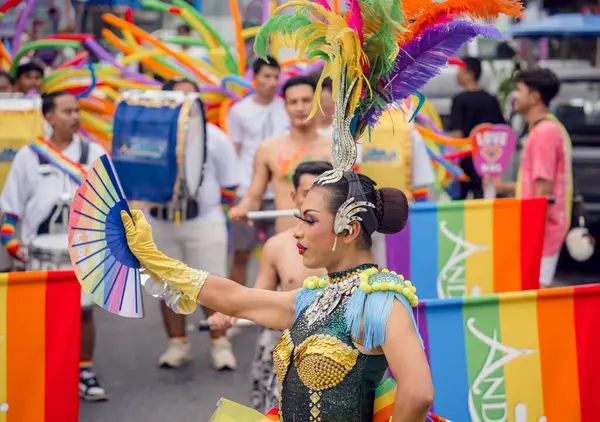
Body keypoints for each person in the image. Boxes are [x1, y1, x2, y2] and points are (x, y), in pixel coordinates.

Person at [0, 91, 108, 401]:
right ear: (49, 117)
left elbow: (109, 204)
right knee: (40, 313)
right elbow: (10, 207)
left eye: (77, 111)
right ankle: (42, 373)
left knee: (85, 312)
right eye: (67, 111)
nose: (75, 117)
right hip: (39, 250)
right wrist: (11, 243)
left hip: (83, 249)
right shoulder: (28, 155)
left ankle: (84, 370)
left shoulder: (94, 153)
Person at [147, 78, 240, 370]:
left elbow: (230, 183)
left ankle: (220, 344)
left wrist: (219, 214)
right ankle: (177, 344)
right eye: (178, 99)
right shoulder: (150, 135)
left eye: (192, 98)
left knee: (211, 286)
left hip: (203, 220)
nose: (186, 105)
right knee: (167, 285)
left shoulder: (214, 136)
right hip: (160, 222)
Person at [250, 161, 331, 413]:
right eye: (308, 193)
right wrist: (229, 313)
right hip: (287, 345)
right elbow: (257, 296)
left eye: (323, 192)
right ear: (295, 196)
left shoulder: (350, 242)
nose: (315, 200)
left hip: (337, 350)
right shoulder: (277, 246)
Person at [492, 69, 572, 288]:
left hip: (542, 236)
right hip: (541, 233)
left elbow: (543, 192)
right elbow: (537, 185)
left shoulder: (544, 133)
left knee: (536, 299)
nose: (514, 96)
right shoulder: (546, 128)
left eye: (518, 90)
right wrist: (503, 186)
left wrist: (531, 239)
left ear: (535, 96)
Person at [229, 75, 332, 234]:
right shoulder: (268, 149)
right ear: (285, 106)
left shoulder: (336, 148)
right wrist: (243, 209)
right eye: (293, 102)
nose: (300, 108)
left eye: (306, 100)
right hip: (286, 239)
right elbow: (253, 197)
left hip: (327, 240)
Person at [227, 56, 290, 289]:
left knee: (283, 255)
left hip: (280, 194)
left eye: (276, 77)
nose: (272, 82)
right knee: (241, 254)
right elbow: (235, 149)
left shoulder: (287, 107)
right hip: (247, 192)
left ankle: (275, 317)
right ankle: (234, 313)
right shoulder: (239, 111)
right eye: (266, 76)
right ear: (254, 79)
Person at [449, 56, 505, 199]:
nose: (457, 74)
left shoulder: (459, 100)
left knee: (460, 205)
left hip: (466, 161)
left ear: (470, 73)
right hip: (488, 159)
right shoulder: (491, 99)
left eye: (460, 70)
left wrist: (452, 164)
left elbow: (457, 134)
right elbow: (501, 130)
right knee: (484, 201)